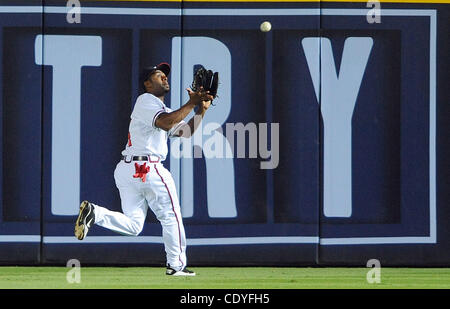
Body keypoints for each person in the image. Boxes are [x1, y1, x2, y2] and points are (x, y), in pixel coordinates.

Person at [74, 62, 213, 276]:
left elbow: (184, 132)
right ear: (147, 84)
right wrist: (190, 102)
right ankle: (176, 266)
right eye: (158, 76)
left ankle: (95, 212)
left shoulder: (162, 109)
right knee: (170, 215)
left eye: (165, 75)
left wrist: (200, 111)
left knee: (134, 226)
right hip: (148, 167)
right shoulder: (146, 100)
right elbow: (166, 124)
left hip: (129, 169)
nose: (164, 78)